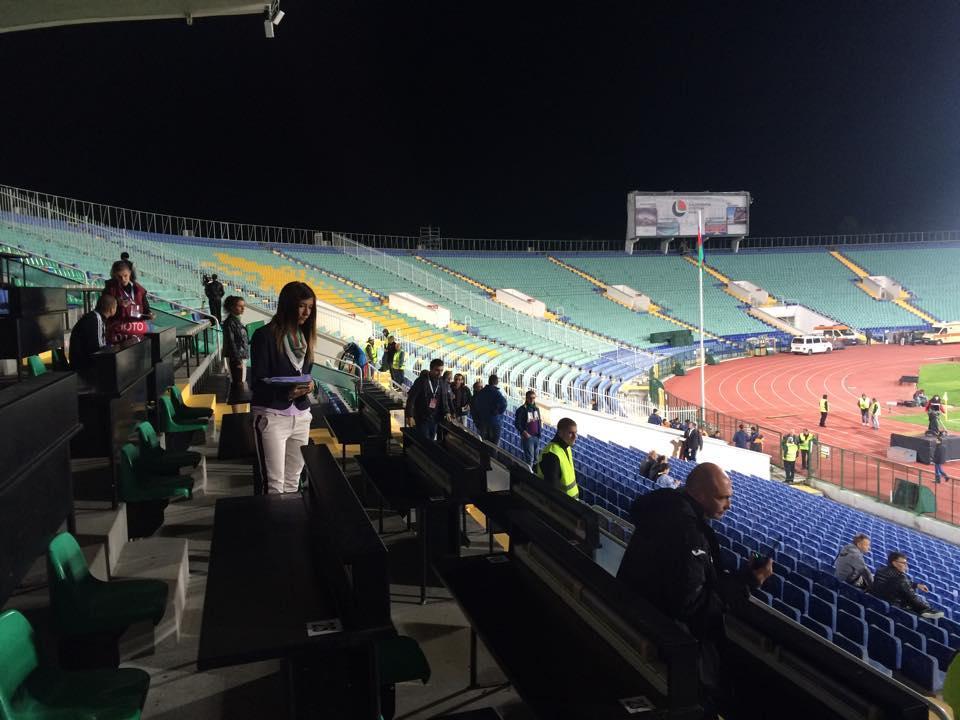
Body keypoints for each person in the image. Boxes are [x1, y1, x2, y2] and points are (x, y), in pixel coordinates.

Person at [617, 463, 773, 710]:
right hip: (672, 651)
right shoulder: (688, 534)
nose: (728, 505)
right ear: (699, 495)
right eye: (722, 498)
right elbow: (693, 605)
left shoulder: (664, 511)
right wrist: (749, 582)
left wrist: (738, 577)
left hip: (639, 623)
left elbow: (687, 579)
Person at [250, 281, 317, 495]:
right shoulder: (264, 336)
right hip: (272, 415)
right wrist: (287, 393)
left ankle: (290, 517)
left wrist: (310, 385)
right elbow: (257, 382)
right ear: (288, 305)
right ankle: (272, 518)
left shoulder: (305, 337)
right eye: (301, 306)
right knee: (274, 484)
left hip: (301, 415)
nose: (307, 312)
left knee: (293, 481)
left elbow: (304, 373)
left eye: (310, 307)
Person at [871, 552, 944, 619]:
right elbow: (911, 597)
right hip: (894, 607)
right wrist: (927, 608)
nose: (906, 565)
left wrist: (916, 585)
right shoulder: (900, 578)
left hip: (878, 604)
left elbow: (897, 584)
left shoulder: (881, 570)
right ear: (894, 563)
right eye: (903, 563)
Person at [103, 259, 153, 344]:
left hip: (139, 336)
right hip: (118, 337)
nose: (123, 279)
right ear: (115, 275)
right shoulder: (110, 290)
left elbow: (146, 310)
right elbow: (105, 311)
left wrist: (149, 314)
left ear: (130, 273)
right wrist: (117, 303)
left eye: (125, 275)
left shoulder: (139, 290)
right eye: (119, 277)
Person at [404, 358, 452, 441]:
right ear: (431, 369)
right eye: (437, 370)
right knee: (424, 440)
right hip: (422, 417)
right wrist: (410, 415)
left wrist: (447, 411)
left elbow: (444, 399)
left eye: (441, 370)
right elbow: (411, 399)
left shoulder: (442, 382)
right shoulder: (421, 381)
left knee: (432, 438)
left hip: (435, 418)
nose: (440, 373)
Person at [69, 294, 118, 373]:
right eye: (116, 307)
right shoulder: (96, 319)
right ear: (112, 309)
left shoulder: (94, 317)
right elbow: (98, 348)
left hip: (82, 362)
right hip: (83, 366)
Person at [535, 418, 579, 498]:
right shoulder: (551, 455)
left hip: (572, 500)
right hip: (563, 503)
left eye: (576, 433)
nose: (575, 437)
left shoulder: (567, 447)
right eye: (570, 433)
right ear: (560, 433)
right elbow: (553, 491)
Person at [221, 296, 250, 413]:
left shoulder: (236, 321)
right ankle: (236, 414)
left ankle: (238, 413)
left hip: (240, 356)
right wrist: (237, 360)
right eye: (240, 306)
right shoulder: (229, 322)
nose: (243, 308)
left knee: (239, 384)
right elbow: (231, 342)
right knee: (236, 385)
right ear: (232, 307)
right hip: (236, 358)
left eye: (244, 306)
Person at [472, 374, 508, 445]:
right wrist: (498, 412)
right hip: (494, 421)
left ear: (489, 381)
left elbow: (475, 408)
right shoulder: (496, 392)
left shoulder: (481, 393)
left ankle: (484, 452)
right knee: (494, 444)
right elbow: (504, 403)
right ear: (497, 382)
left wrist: (477, 421)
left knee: (484, 443)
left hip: (482, 421)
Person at [514, 390, 543, 467]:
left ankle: (534, 472)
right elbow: (517, 424)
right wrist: (524, 432)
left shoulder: (536, 409)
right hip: (528, 437)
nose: (532, 400)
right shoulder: (521, 410)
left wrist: (539, 432)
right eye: (530, 398)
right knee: (530, 459)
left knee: (536, 459)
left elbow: (539, 421)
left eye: (534, 398)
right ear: (526, 398)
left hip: (536, 436)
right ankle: (529, 473)